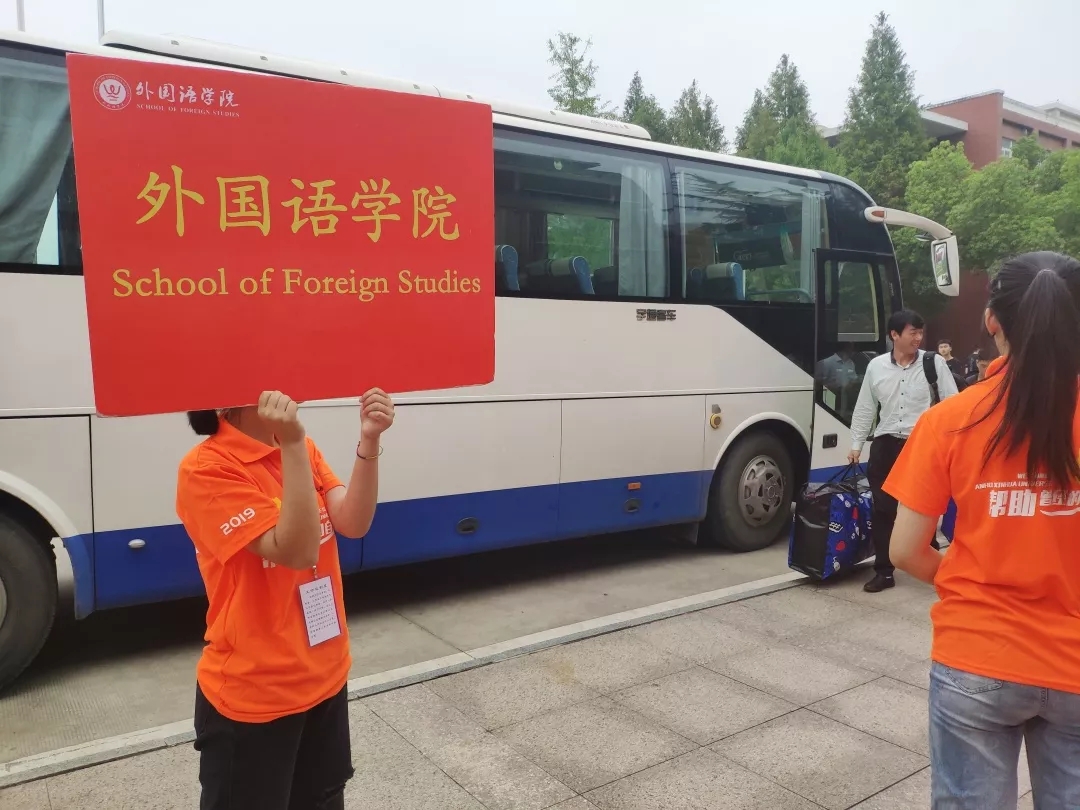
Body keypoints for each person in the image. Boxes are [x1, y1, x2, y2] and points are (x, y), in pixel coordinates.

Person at [883, 251, 1080, 809]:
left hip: (977, 656)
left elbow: (905, 550)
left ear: (992, 320)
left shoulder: (949, 420)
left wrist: (970, 581)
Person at [176, 388, 395, 810]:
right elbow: (297, 551)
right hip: (256, 695)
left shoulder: (300, 448)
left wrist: (369, 441)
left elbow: (352, 522)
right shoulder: (207, 469)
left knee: (323, 799)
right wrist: (292, 444)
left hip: (325, 675)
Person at [847, 310, 958, 593]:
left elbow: (953, 404)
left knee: (924, 509)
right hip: (885, 445)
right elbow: (865, 407)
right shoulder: (876, 367)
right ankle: (884, 571)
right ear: (894, 335)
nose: (918, 338)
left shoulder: (933, 363)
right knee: (883, 510)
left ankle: (930, 567)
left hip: (921, 444)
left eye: (921, 333)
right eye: (912, 333)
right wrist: (856, 444)